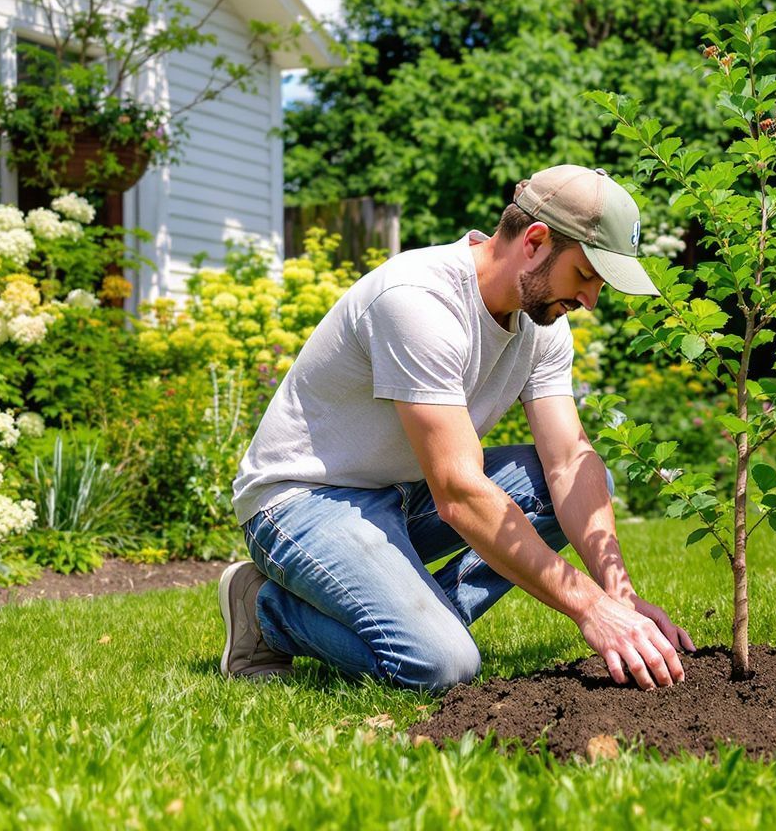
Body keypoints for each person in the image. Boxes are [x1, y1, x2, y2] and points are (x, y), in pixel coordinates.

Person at [218, 165, 695, 692]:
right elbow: (459, 493)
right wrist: (590, 609)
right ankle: (267, 611)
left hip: (400, 492)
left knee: (584, 479)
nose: (590, 301)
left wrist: (618, 596)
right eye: (585, 275)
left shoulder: (540, 326)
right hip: (303, 501)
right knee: (441, 666)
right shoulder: (418, 300)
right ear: (535, 241)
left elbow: (568, 462)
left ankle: (422, 621)